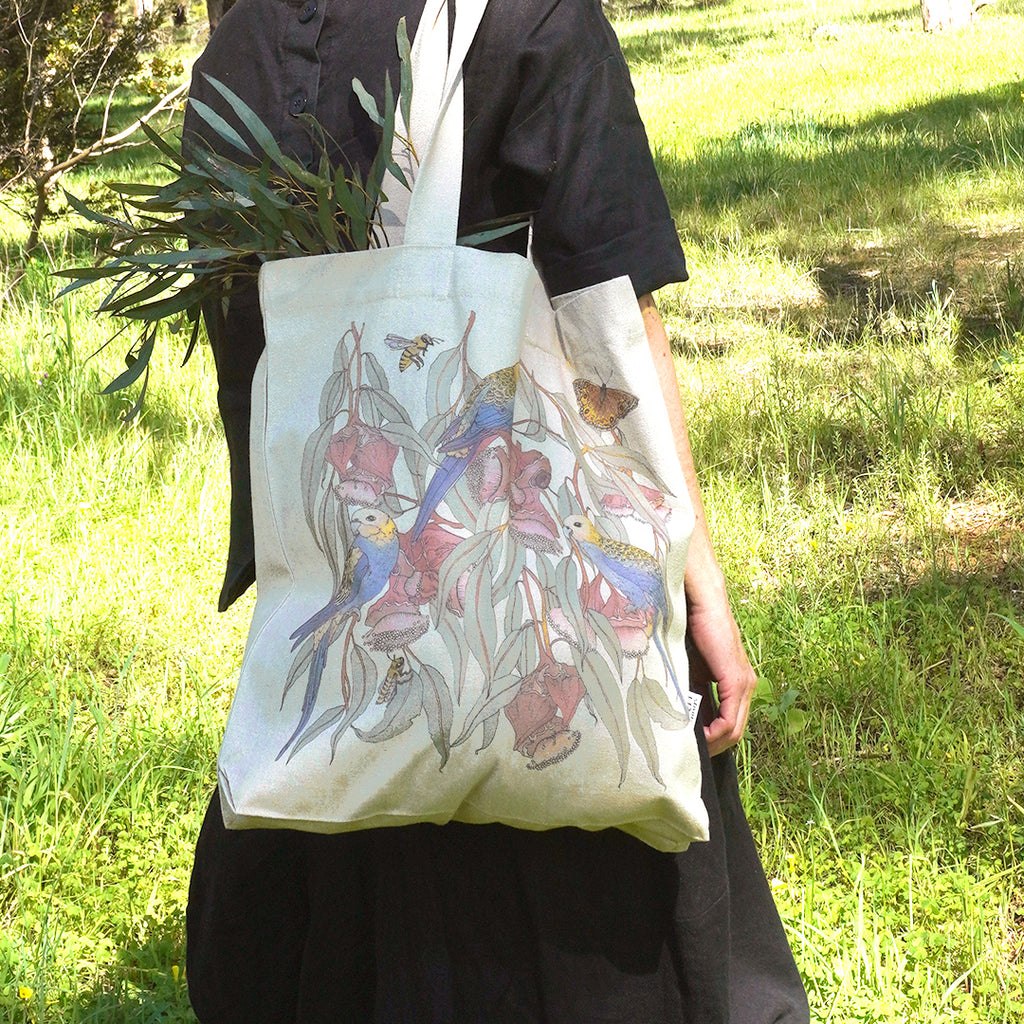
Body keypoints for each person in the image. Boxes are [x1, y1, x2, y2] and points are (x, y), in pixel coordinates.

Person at [182, 1, 810, 1021]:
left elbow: (254, 361)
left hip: (355, 621)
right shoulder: (532, 18)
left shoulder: (240, 46)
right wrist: (702, 592)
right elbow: (613, 323)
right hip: (539, 597)